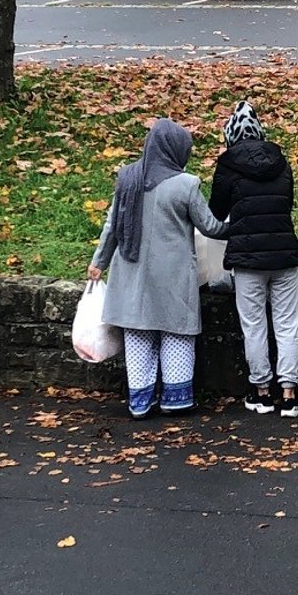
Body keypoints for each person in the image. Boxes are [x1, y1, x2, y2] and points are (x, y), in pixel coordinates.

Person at [90, 119, 230, 420]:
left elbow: (112, 226)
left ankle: (139, 402)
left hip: (131, 273)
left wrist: (98, 262)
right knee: (176, 333)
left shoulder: (128, 178)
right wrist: (240, 225)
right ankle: (175, 399)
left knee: (139, 334)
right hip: (173, 275)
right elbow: (210, 226)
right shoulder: (186, 185)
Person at [209, 102, 298, 418]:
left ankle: (262, 392)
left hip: (247, 259)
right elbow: (287, 202)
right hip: (284, 255)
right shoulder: (282, 162)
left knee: (254, 326)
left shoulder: (227, 166)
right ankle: (290, 393)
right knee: (286, 324)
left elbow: (217, 212)